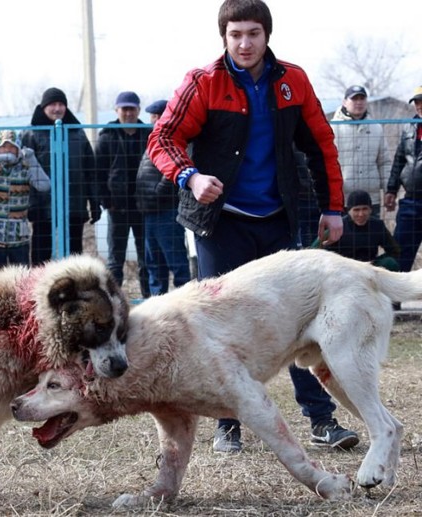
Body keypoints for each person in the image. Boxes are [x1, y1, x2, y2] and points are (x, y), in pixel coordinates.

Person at [147, 0, 358, 453]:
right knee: (219, 326)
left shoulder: (293, 81)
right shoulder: (203, 82)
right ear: (224, 37)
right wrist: (191, 176)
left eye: (253, 34)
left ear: (267, 36)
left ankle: (322, 421)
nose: (245, 43)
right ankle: (229, 425)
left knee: (301, 321)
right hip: (220, 223)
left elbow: (322, 145)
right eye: (236, 34)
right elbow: (162, 138)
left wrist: (333, 208)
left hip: (279, 219)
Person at [21, 87, 100, 263]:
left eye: (61, 104)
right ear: (43, 107)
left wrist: (94, 202)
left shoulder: (77, 133)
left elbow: (90, 171)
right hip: (42, 205)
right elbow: (22, 172)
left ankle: (74, 288)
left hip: (73, 203)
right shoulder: (31, 133)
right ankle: (37, 289)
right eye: (52, 104)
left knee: (74, 254)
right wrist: (29, 204)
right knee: (41, 254)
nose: (57, 108)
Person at [96, 91, 152, 298]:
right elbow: (97, 172)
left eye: (132, 108)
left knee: (146, 257)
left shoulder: (148, 134)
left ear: (138, 110)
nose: (128, 113)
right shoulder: (107, 135)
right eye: (124, 109)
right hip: (117, 207)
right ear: (117, 110)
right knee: (114, 259)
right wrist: (105, 200)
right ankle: (113, 302)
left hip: (144, 207)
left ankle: (148, 298)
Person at [0, 130, 50, 266]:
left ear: (18, 149)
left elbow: (45, 186)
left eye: (12, 147)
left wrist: (32, 159)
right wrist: (1, 158)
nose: (8, 150)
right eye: (4, 146)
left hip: (19, 237)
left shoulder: (26, 168)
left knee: (20, 278)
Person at [136, 100, 190, 295]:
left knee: (176, 263)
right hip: (150, 212)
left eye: (158, 115)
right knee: (154, 265)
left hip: (166, 212)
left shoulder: (173, 139)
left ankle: (187, 304)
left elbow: (174, 170)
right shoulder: (157, 138)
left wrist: (159, 192)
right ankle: (158, 305)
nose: (155, 120)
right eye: (153, 116)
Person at [331, 85, 391, 215]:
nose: (359, 102)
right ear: (344, 102)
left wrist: (388, 190)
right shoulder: (332, 129)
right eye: (354, 99)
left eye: (362, 98)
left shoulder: (377, 128)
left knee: (372, 234)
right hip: (342, 199)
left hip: (371, 199)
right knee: (342, 235)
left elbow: (384, 162)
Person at [312, 189, 400, 271]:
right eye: (356, 210)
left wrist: (375, 264)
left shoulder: (377, 225)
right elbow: (313, 250)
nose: (361, 214)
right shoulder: (338, 226)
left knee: (390, 263)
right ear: (349, 211)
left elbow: (395, 251)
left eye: (364, 209)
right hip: (342, 270)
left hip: (368, 269)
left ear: (370, 210)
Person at [384, 86, 422, 272]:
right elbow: (399, 160)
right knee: (400, 254)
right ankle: (395, 300)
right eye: (417, 101)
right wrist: (391, 190)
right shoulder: (409, 127)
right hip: (411, 201)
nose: (420, 105)